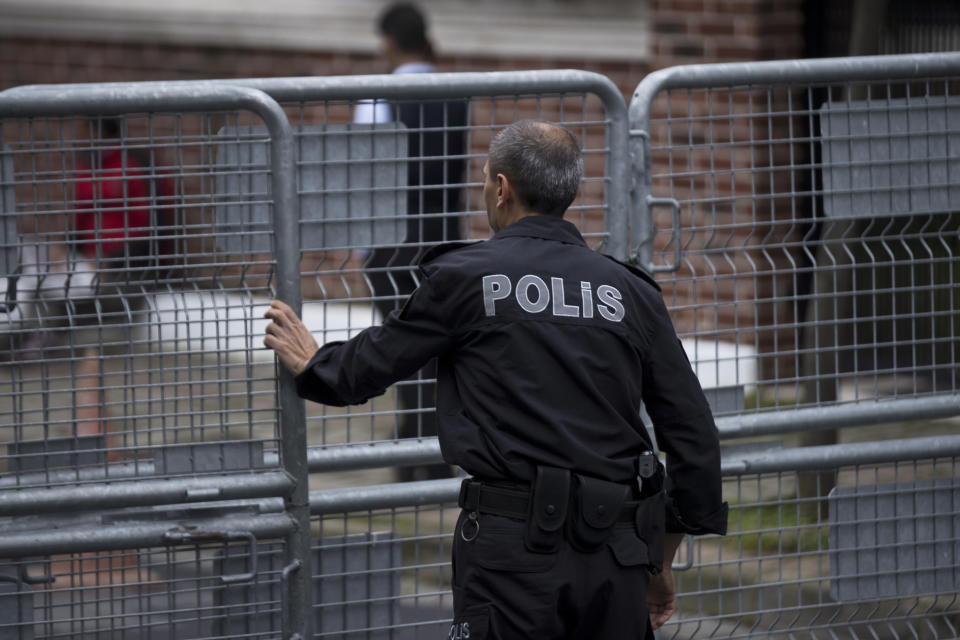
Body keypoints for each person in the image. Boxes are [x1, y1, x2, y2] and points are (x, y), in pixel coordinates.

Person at [264, 120, 727, 638]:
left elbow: (374, 364)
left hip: (513, 553)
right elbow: (693, 434)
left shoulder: (467, 278)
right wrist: (660, 559)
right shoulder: (631, 292)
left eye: (485, 179)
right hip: (615, 554)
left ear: (501, 188)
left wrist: (316, 364)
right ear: (568, 192)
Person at [354, 2, 468, 481]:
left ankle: (410, 450)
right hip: (442, 240)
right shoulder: (457, 94)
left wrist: (363, 246)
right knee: (440, 347)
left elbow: (364, 177)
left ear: (388, 41)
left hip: (392, 242)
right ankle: (436, 448)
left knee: (401, 346)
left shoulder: (379, 99)